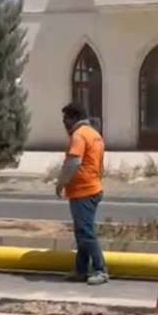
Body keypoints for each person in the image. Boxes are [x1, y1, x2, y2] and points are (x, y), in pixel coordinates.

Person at [55, 103, 108, 285]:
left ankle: (100, 270)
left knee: (86, 232)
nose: (64, 124)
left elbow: (73, 162)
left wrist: (60, 183)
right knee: (81, 233)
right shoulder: (95, 135)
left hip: (83, 191)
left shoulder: (79, 136)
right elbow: (99, 164)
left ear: (73, 118)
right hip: (93, 188)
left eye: (65, 119)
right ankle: (81, 270)